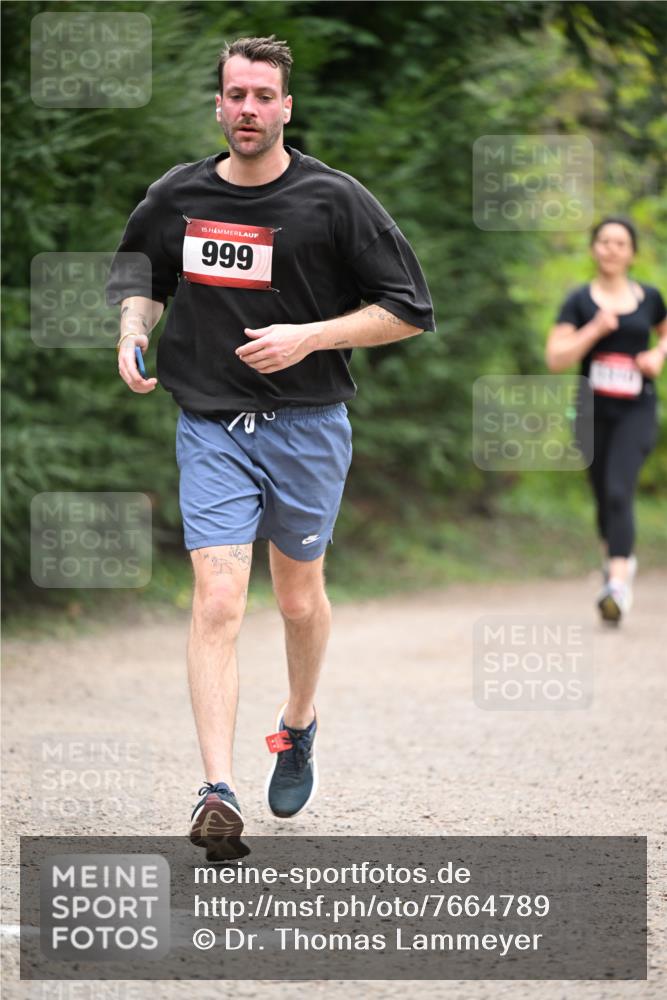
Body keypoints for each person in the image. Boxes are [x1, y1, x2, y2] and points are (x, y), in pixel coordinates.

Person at [106, 35, 435, 858]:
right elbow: (144, 278)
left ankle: (297, 724)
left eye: (263, 96)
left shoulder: (334, 200)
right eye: (235, 95)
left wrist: (311, 337)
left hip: (309, 425)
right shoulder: (176, 196)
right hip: (211, 423)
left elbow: (406, 308)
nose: (248, 109)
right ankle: (216, 789)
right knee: (219, 600)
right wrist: (130, 334)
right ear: (217, 106)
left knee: (296, 600)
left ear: (286, 107)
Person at [546, 217, 667, 624]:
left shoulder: (650, 298)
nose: (611, 249)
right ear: (593, 249)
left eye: (620, 243)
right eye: (604, 241)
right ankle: (615, 562)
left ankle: (617, 583)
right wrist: (594, 330)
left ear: (632, 252)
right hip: (590, 412)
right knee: (603, 495)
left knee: (619, 490)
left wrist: (657, 356)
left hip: (637, 408)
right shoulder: (579, 301)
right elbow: (556, 357)